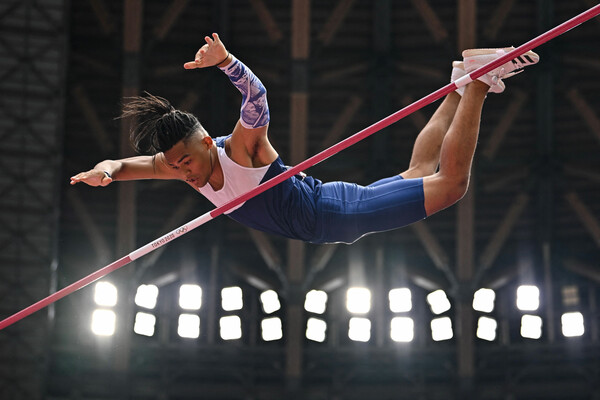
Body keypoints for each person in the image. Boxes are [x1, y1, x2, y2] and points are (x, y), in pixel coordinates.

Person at [70, 34, 539, 245]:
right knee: (418, 173)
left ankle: (478, 80)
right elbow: (129, 164)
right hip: (330, 214)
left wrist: (228, 63)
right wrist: (107, 171)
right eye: (175, 166)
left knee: (451, 184)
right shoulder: (179, 166)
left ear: (207, 144)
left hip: (333, 213)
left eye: (187, 161)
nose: (183, 172)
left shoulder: (240, 150)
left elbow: (257, 98)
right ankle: (460, 82)